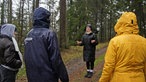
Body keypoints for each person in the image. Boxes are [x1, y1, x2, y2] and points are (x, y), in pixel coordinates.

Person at [24, 7, 69, 82]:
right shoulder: (49, 34)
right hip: (48, 77)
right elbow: (56, 59)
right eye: (48, 17)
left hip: (32, 77)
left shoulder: (29, 34)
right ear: (45, 19)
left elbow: (26, 57)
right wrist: (64, 78)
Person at [99, 12, 146, 82]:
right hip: (140, 78)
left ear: (121, 23)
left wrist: (103, 80)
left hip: (120, 78)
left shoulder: (115, 41)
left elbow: (109, 66)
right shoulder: (144, 41)